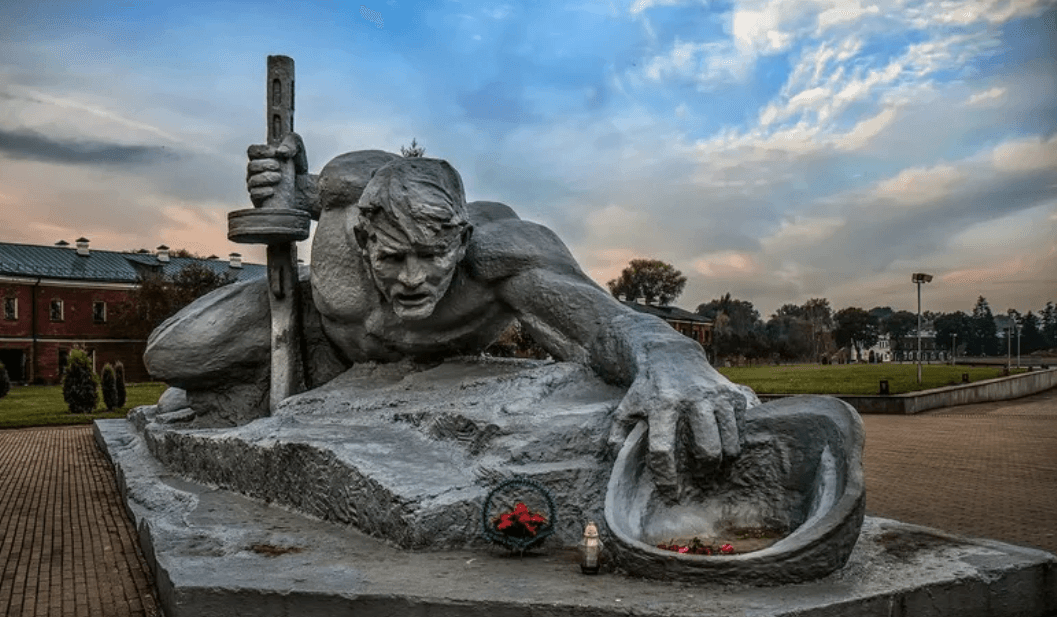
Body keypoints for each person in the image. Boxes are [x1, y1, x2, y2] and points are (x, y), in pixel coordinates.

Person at [145, 134, 758, 487]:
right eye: (393, 259)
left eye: (432, 258)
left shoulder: (506, 252)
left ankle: (227, 397)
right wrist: (279, 180)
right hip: (315, 331)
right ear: (364, 241)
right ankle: (229, 392)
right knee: (170, 355)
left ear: (461, 241)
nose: (412, 280)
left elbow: (603, 319)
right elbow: (296, 185)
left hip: (390, 384)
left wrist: (672, 358)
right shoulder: (345, 194)